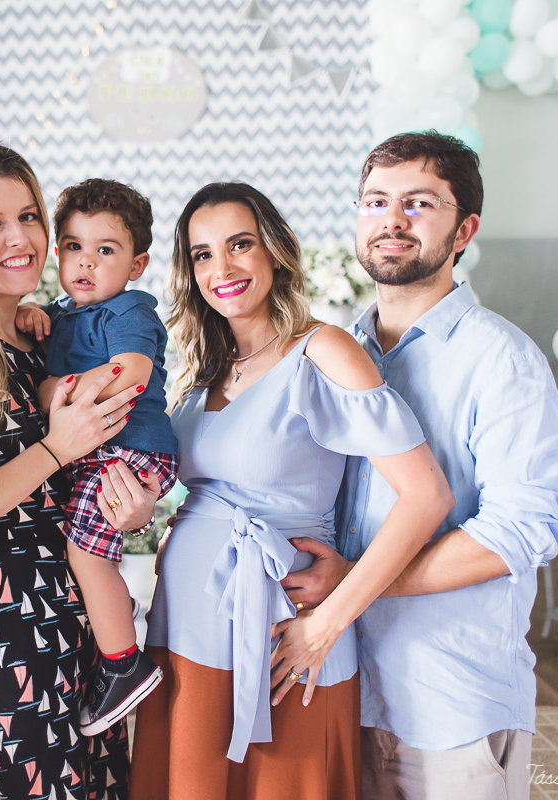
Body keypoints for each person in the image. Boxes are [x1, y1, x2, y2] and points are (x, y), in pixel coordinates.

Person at [130, 182, 454, 800]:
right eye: (201, 255)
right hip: (188, 631)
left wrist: (331, 621)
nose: (221, 268)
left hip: (284, 637)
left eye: (239, 245)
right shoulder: (205, 373)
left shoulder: (322, 350)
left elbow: (426, 497)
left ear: (274, 252)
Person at [281, 131, 558, 800]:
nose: (391, 219)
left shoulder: (502, 360)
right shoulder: (333, 350)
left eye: (419, 204)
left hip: (450, 696)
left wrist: (356, 582)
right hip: (340, 687)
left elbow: (517, 534)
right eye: (376, 201)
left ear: (464, 228)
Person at [0, 143, 160, 800]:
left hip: (81, 623)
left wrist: (129, 511)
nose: (19, 239)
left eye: (28, 216)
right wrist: (52, 449)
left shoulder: (41, 334)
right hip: (16, 630)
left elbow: (78, 480)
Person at [14, 179, 178, 735]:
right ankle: (116, 630)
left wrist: (53, 390)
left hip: (133, 449)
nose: (86, 261)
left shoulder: (128, 311)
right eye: (73, 246)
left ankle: (123, 664)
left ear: (136, 265)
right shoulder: (60, 314)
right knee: (87, 550)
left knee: (86, 555)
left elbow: (128, 374)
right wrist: (37, 318)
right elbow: (46, 369)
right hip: (103, 451)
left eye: (105, 250)